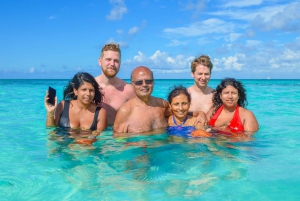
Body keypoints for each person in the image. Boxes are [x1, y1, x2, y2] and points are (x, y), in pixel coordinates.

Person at [113, 66, 207, 135]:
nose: (144, 85)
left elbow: (179, 112)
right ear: (132, 85)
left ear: (153, 82)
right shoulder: (125, 111)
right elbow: (119, 141)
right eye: (139, 82)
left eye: (148, 81)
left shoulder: (162, 104)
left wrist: (199, 113)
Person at [44, 72, 107, 145]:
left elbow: (99, 137)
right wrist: (50, 113)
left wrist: (80, 143)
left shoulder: (100, 112)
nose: (88, 94)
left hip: (85, 148)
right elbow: (51, 129)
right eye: (84, 89)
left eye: (91, 90)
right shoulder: (63, 105)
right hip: (64, 145)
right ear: (75, 91)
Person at [95, 43, 135, 126]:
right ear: (100, 61)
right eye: (108, 59)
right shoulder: (89, 88)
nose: (112, 64)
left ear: (120, 63)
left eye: (116, 61)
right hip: (94, 135)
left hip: (118, 137)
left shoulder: (128, 90)